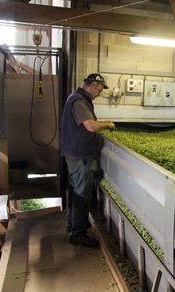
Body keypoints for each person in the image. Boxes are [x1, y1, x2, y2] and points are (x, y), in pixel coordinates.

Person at [60, 73, 115, 247]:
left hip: (75, 153)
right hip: (79, 156)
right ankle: (78, 233)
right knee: (81, 192)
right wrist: (108, 124)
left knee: (75, 189)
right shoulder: (79, 101)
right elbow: (90, 126)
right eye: (99, 89)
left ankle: (73, 224)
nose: (99, 93)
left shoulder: (77, 98)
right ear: (91, 85)